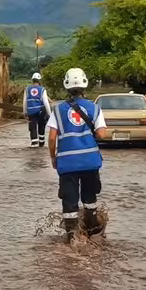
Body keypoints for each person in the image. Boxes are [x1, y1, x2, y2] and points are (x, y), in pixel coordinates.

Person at [47, 67, 107, 243]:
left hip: (67, 163)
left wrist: (53, 157)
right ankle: (92, 231)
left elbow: (52, 138)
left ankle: (72, 236)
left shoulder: (57, 110)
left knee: (69, 200)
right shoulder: (94, 108)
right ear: (85, 85)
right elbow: (102, 134)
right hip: (90, 161)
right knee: (90, 198)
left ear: (66, 86)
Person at [23, 72, 52, 147]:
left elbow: (24, 102)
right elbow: (46, 102)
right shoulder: (42, 89)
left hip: (31, 111)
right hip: (40, 111)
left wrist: (24, 112)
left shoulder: (27, 89)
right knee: (41, 125)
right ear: (39, 81)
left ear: (32, 80)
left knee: (32, 126)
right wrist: (49, 114)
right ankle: (41, 142)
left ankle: (34, 143)